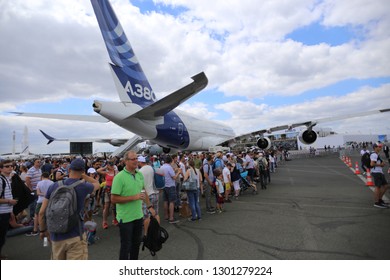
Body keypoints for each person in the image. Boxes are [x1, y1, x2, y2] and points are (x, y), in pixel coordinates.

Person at [38, 158, 100, 260]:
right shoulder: (83, 187)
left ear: (69, 169)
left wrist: (42, 230)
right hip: (76, 235)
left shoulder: (54, 186)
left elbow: (41, 212)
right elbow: (97, 184)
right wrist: (84, 176)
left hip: (56, 236)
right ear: (83, 171)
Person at [111, 151, 156, 260]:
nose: (136, 161)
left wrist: (150, 206)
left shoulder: (139, 174)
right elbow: (113, 199)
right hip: (125, 218)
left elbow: (143, 191)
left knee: (136, 245)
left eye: (137, 158)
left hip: (138, 216)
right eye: (133, 159)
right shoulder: (119, 177)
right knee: (126, 246)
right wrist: (133, 197)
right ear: (126, 161)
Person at [0, 160, 18, 260]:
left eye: (11, 166)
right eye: (7, 166)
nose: (10, 167)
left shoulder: (7, 179)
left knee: (2, 236)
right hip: (1, 214)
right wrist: (9, 201)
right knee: (1, 237)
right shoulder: (1, 180)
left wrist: (10, 211)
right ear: (1, 169)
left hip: (5, 212)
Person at [137, 156, 160, 233]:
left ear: (140, 162)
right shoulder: (151, 168)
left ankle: (146, 234)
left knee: (146, 216)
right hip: (155, 193)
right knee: (156, 214)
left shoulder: (139, 171)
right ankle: (158, 231)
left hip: (146, 194)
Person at [25, 172, 52, 237]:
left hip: (41, 201)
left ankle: (35, 230)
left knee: (37, 214)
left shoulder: (39, 183)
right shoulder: (52, 183)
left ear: (41, 177)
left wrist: (44, 194)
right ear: (48, 177)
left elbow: (38, 193)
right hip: (50, 201)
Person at [97, 161, 118, 229]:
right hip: (107, 190)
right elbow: (98, 170)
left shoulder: (116, 172)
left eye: (112, 165)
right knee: (106, 206)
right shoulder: (106, 172)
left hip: (114, 190)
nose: (112, 166)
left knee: (114, 206)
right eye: (110, 165)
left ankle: (114, 219)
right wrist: (105, 166)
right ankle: (104, 222)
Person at [162, 155, 182, 224]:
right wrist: (179, 172)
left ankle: (166, 216)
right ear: (170, 161)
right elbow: (174, 177)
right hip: (170, 186)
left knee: (165, 201)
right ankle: (171, 218)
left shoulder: (162, 167)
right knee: (171, 202)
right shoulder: (169, 167)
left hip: (164, 186)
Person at [370, 143, 389, 209]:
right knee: (378, 187)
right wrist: (381, 165)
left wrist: (382, 164)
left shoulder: (376, 154)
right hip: (376, 172)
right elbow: (372, 164)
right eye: (379, 146)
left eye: (381, 146)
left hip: (379, 172)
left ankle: (380, 200)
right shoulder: (374, 155)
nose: (381, 148)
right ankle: (377, 202)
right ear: (375, 147)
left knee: (386, 186)